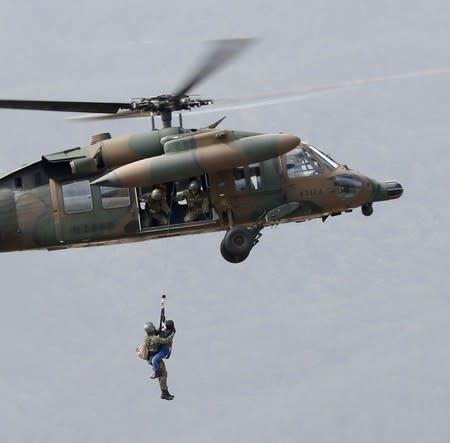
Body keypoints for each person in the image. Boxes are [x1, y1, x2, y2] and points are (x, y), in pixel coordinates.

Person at [143, 321, 175, 400]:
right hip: (155, 359)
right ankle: (164, 393)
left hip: (150, 358)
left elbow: (157, 331)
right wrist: (172, 334)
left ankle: (164, 392)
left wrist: (161, 323)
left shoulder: (147, 337)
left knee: (162, 374)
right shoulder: (155, 339)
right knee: (163, 374)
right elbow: (165, 340)